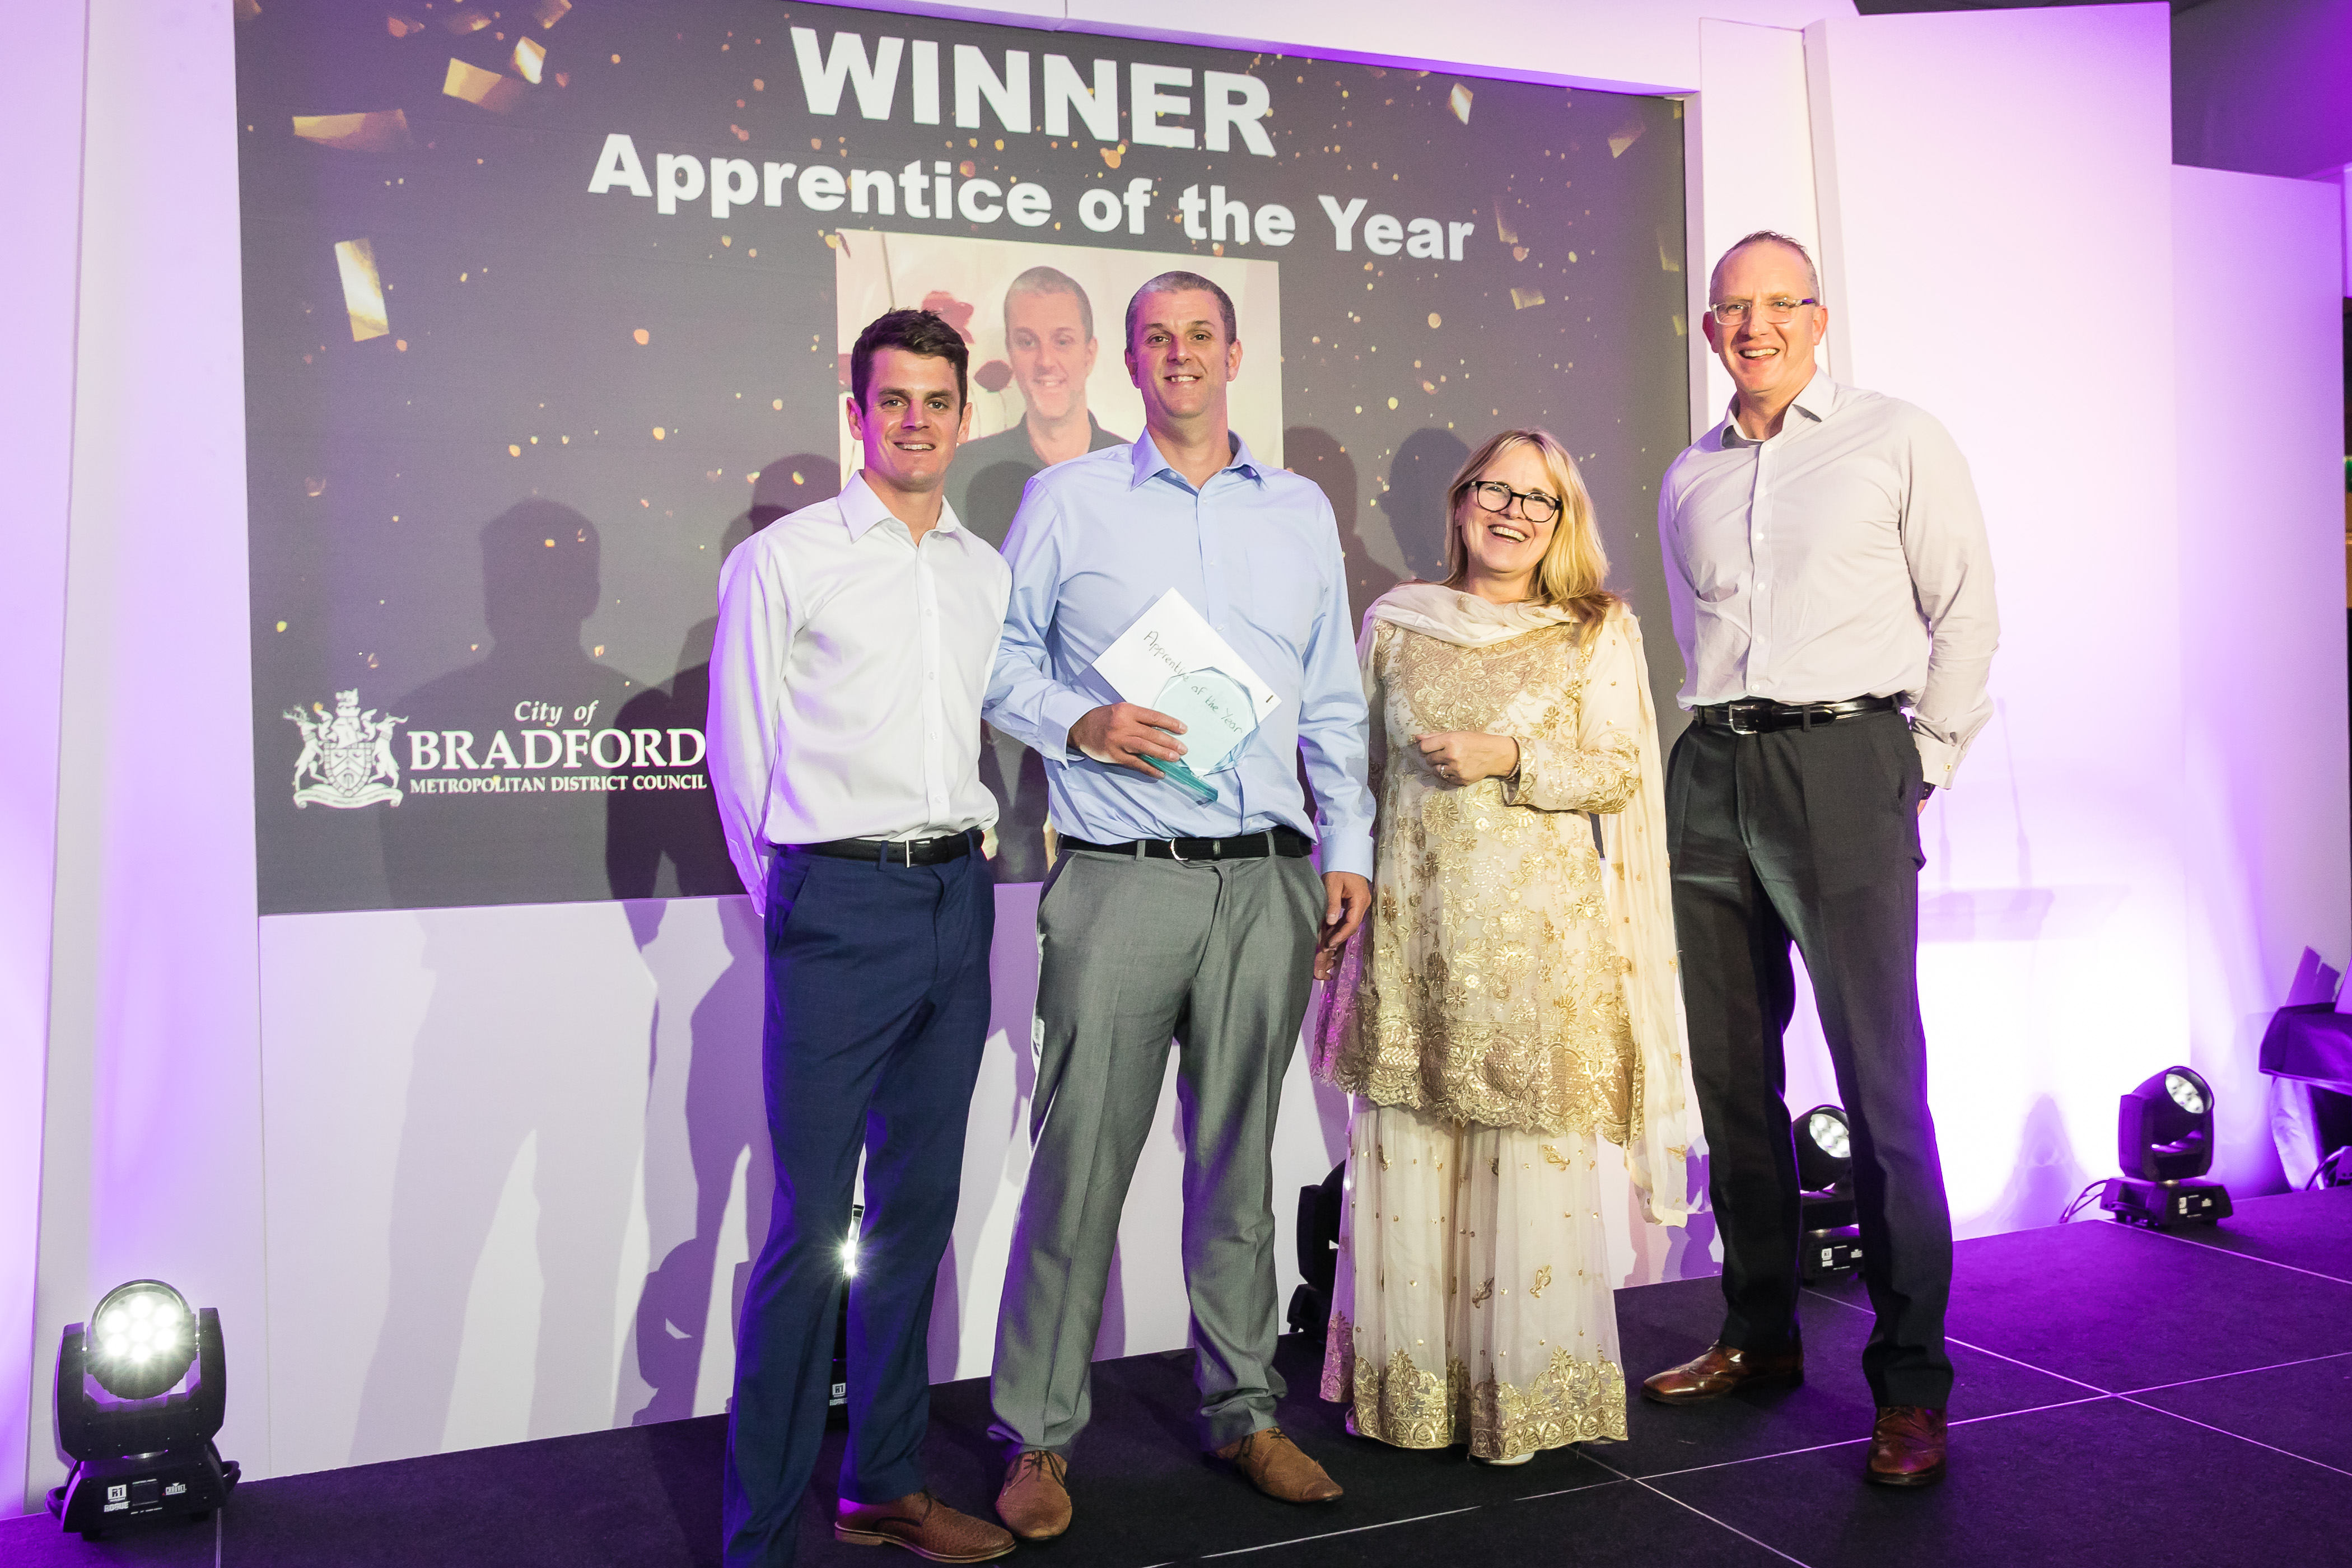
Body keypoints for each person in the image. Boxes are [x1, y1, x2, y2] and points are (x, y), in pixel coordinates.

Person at [980, 271, 1376, 1541]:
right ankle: (1038, 1437)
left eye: (1200, 335)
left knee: (1238, 1164)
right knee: (1080, 1162)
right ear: (1131, 362)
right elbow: (996, 660)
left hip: (1266, 876)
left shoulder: (1299, 510)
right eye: (1158, 339)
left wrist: (1346, 846)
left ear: (1234, 352)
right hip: (1120, 880)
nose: (1181, 356)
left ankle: (1245, 1412)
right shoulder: (1069, 498)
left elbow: (1326, 695)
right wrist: (1077, 719)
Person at [1643, 231, 1998, 1488]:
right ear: (1710, 328)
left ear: (1819, 316)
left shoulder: (1896, 435)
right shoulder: (1690, 471)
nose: (1756, 325)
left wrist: (1922, 765)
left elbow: (1967, 611)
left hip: (1847, 765)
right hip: (1714, 768)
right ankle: (1758, 1330)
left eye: (1779, 303)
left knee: (1882, 1087)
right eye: (1733, 307)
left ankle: (1911, 1385)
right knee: (1734, 1082)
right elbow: (1707, 636)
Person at [1312, 428, 1691, 1464]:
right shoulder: (1396, 621)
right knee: (1414, 1153)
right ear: (1461, 501)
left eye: (1541, 499)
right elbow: (1353, 772)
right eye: (1496, 490)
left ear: (1564, 521)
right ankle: (1415, 1400)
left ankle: (1518, 1404)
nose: (1514, 512)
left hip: (1537, 951)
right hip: (1412, 934)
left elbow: (1620, 770)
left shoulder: (1594, 630)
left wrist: (1511, 754)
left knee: (1523, 1169)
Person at [707, 308, 1015, 1567]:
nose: (919, 421)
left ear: (961, 411)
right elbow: (738, 753)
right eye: (894, 400)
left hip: (957, 902)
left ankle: (883, 1479)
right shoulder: (786, 559)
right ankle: (764, 1533)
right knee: (806, 1231)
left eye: (939, 400)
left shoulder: (981, 569)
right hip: (835, 907)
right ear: (858, 410)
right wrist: (796, 897)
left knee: (916, 1213)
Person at [947, 267, 1129, 883]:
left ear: (1092, 352)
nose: (1046, 360)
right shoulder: (962, 472)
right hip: (998, 754)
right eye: (1027, 341)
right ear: (1010, 355)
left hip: (1119, 753)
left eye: (1062, 340)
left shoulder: (1138, 472)